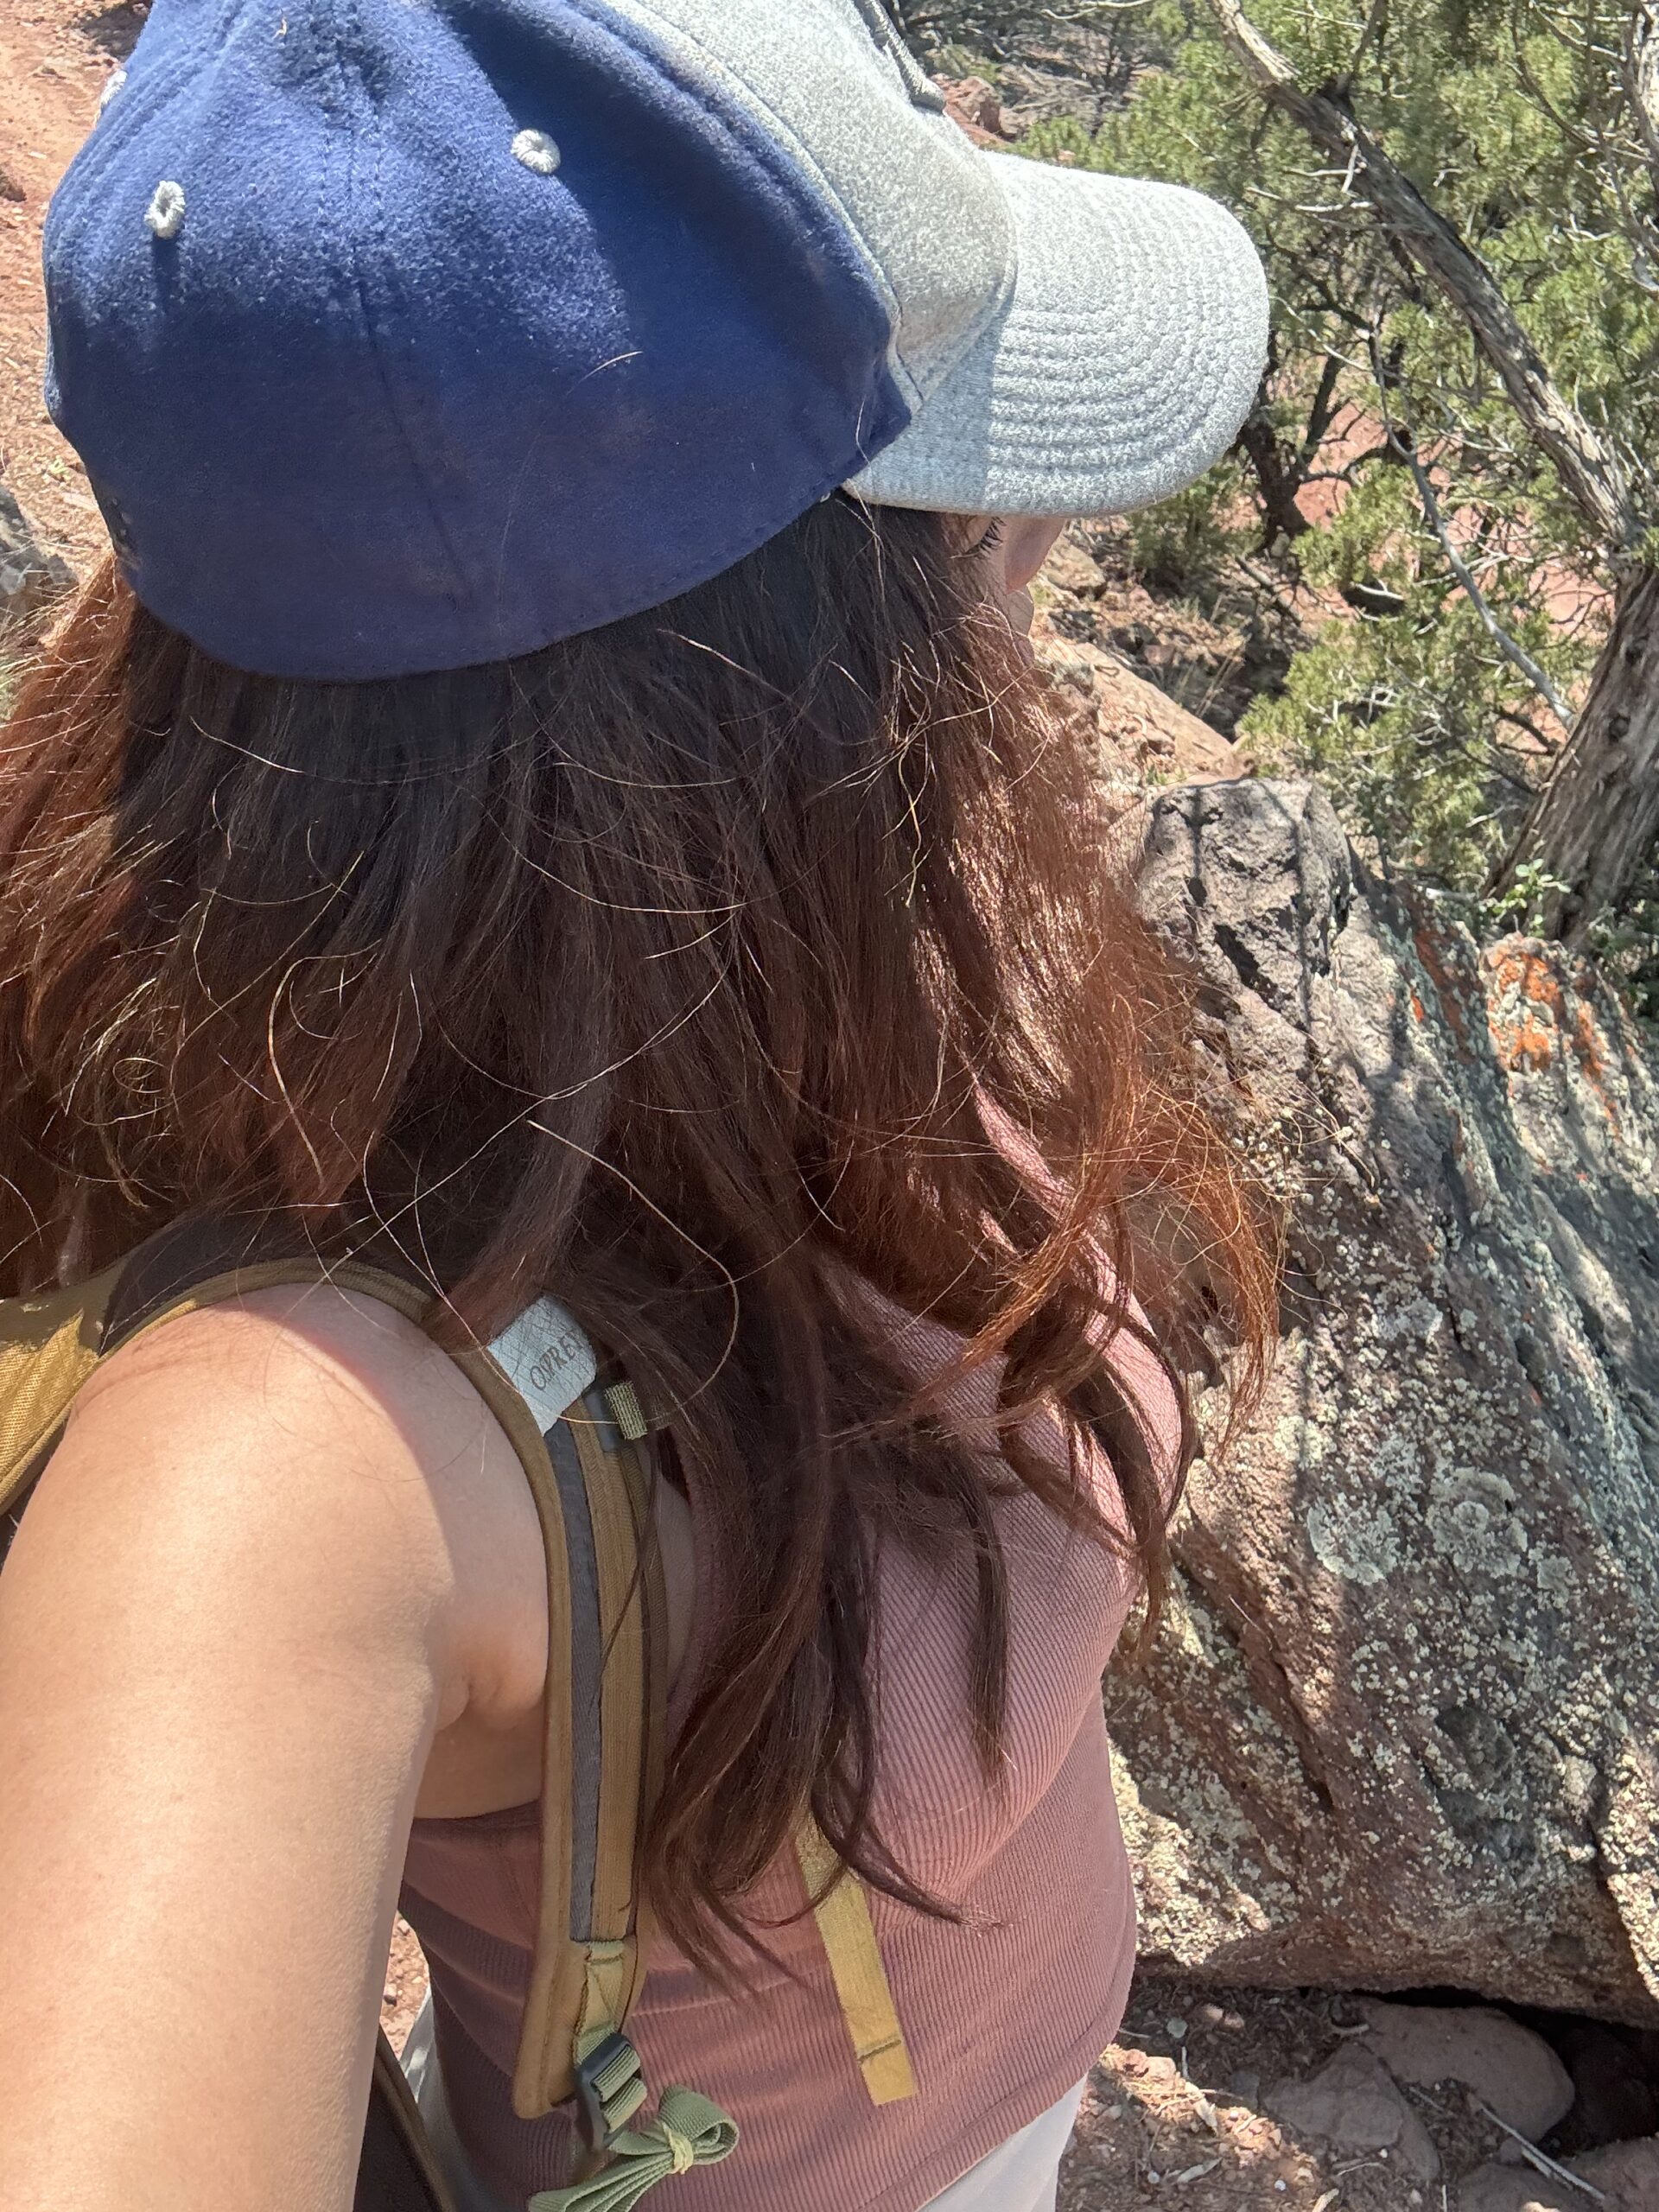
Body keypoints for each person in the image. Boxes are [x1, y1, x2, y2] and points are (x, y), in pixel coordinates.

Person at [0, 3, 1277, 2209]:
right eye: (951, 495)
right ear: (752, 689)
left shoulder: (807, 918)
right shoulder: (288, 1462)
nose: (1032, 548)